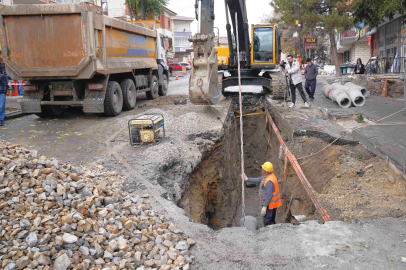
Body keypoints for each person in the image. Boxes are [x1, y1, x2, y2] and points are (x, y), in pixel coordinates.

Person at [242, 162, 282, 226]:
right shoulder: (268, 175)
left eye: (263, 168)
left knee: (267, 221)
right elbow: (259, 179)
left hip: (270, 205)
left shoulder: (269, 181)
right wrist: (247, 179)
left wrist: (265, 207)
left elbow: (269, 196)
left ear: (265, 171)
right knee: (271, 220)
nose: (262, 169)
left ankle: (268, 233)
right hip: (270, 204)